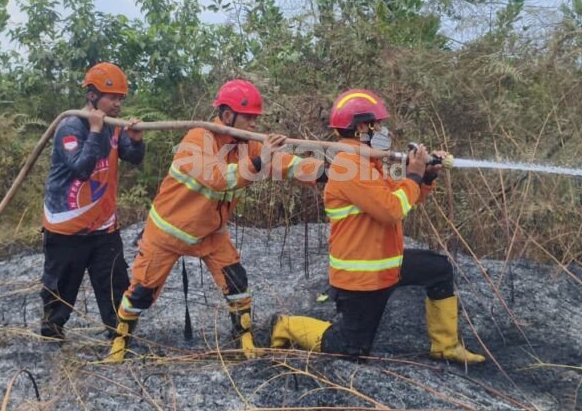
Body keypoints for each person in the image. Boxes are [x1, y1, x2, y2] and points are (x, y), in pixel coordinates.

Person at [106, 79, 324, 362]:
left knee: (237, 282)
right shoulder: (198, 139)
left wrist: (324, 172)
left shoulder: (246, 144)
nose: (255, 124)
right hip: (169, 233)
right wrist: (259, 162)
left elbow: (286, 164)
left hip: (210, 233)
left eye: (257, 118)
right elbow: (218, 178)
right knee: (141, 292)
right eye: (249, 117)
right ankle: (119, 343)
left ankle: (243, 341)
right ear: (226, 115)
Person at [269, 88, 485, 364]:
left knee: (438, 269)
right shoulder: (350, 167)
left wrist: (425, 178)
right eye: (379, 124)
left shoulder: (368, 163)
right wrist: (414, 175)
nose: (383, 129)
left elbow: (401, 195)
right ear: (362, 127)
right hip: (361, 278)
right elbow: (391, 210)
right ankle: (285, 325)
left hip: (386, 264)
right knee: (350, 349)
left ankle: (445, 346)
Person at [40, 62, 144, 341]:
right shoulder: (70, 126)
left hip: (103, 228)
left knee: (115, 287)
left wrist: (136, 140)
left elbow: (133, 157)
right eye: (112, 98)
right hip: (66, 228)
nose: (117, 104)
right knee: (60, 291)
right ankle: (51, 338)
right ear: (92, 96)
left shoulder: (113, 127)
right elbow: (82, 168)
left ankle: (120, 338)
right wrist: (96, 132)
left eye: (121, 99)